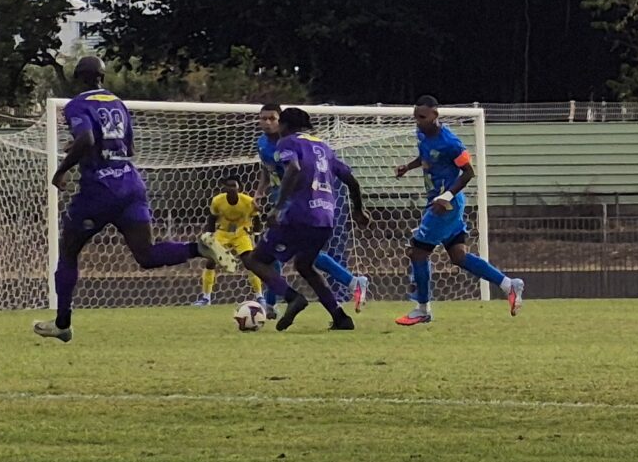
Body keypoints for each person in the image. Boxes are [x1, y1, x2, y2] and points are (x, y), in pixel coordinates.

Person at [34, 57, 236, 343]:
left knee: (68, 252)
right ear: (103, 77)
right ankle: (197, 248)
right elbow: (127, 148)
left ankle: (62, 324)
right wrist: (82, 145)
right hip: (131, 185)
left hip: (99, 189)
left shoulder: (77, 105)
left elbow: (87, 139)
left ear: (78, 78)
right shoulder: (118, 104)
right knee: (146, 254)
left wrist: (61, 170)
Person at [391, 96, 523, 324]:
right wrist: (408, 167)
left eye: (422, 117)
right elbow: (426, 156)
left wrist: (447, 196)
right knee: (458, 256)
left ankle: (422, 309)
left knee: (417, 252)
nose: (418, 121)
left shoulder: (451, 143)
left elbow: (469, 172)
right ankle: (508, 284)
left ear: (435, 115)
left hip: (446, 205)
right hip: (438, 202)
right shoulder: (422, 134)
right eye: (416, 117)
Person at [243, 107, 369, 331]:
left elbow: (293, 167)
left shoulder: (288, 142)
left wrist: (277, 208)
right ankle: (340, 318)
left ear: (284, 125)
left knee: (255, 260)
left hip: (297, 214)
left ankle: (292, 298)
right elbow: (351, 180)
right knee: (304, 264)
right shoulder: (324, 147)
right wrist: (359, 210)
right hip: (325, 218)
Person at [195, 175, 258, 306]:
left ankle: (259, 296)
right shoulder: (217, 201)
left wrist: (256, 234)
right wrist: (210, 234)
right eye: (228, 186)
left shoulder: (248, 201)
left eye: (234, 185)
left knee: (250, 262)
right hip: (222, 233)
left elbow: (256, 218)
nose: (231, 188)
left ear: (239, 188)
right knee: (211, 261)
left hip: (241, 234)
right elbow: (212, 217)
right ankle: (206, 298)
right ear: (224, 188)